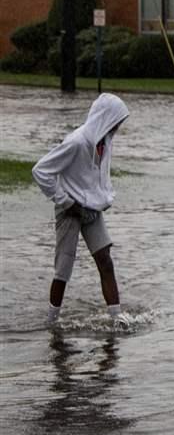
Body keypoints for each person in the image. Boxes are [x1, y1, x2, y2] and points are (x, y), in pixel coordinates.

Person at [33, 93, 130, 327]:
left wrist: (100, 199)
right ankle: (51, 322)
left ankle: (117, 319)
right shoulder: (76, 142)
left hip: (92, 210)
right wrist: (66, 202)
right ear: (106, 117)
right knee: (63, 269)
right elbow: (40, 171)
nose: (119, 126)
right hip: (70, 210)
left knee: (106, 261)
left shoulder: (104, 141)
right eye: (117, 120)